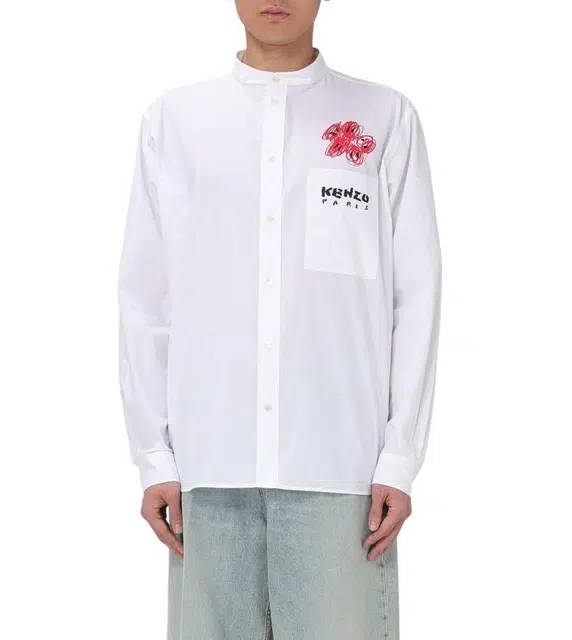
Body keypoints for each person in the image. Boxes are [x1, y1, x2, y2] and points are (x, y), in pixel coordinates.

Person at [117, 1, 442, 638]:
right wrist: (154, 456)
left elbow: (416, 295)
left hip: (341, 464)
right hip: (207, 462)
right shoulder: (175, 121)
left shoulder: (384, 117)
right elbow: (146, 300)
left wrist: (399, 456)